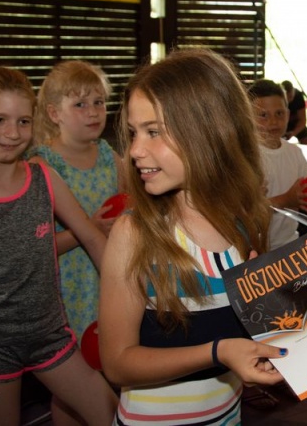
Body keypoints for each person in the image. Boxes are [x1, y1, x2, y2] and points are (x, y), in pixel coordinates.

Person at [99, 49, 286, 425]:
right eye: (134, 132)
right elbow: (117, 363)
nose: (134, 150)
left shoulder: (246, 221)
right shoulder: (134, 235)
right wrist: (217, 353)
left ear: (209, 131)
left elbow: (244, 327)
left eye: (153, 132)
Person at [0, 67, 117, 425]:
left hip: (51, 335)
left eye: (23, 121)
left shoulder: (44, 177)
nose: (12, 133)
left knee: (113, 414)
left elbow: (90, 236)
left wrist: (133, 296)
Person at [29, 60, 125, 425]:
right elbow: (35, 247)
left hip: (109, 279)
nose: (94, 112)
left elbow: (133, 206)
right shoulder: (41, 165)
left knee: (110, 366)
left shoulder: (110, 156)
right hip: (67, 289)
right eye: (80, 104)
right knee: (73, 386)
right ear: (54, 113)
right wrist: (89, 229)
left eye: (99, 102)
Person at [248, 79, 307, 250]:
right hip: (254, 251)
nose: (273, 122)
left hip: (289, 244)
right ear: (248, 116)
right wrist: (286, 200)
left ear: (288, 115)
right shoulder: (246, 156)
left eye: (279, 113)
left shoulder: (294, 152)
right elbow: (244, 211)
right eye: (263, 115)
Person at [281, 80, 307, 145]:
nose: (288, 100)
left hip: (296, 123)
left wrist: (293, 133)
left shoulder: (298, 97)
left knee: (304, 137)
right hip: (282, 124)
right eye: (286, 98)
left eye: (290, 97)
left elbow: (302, 120)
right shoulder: (278, 98)